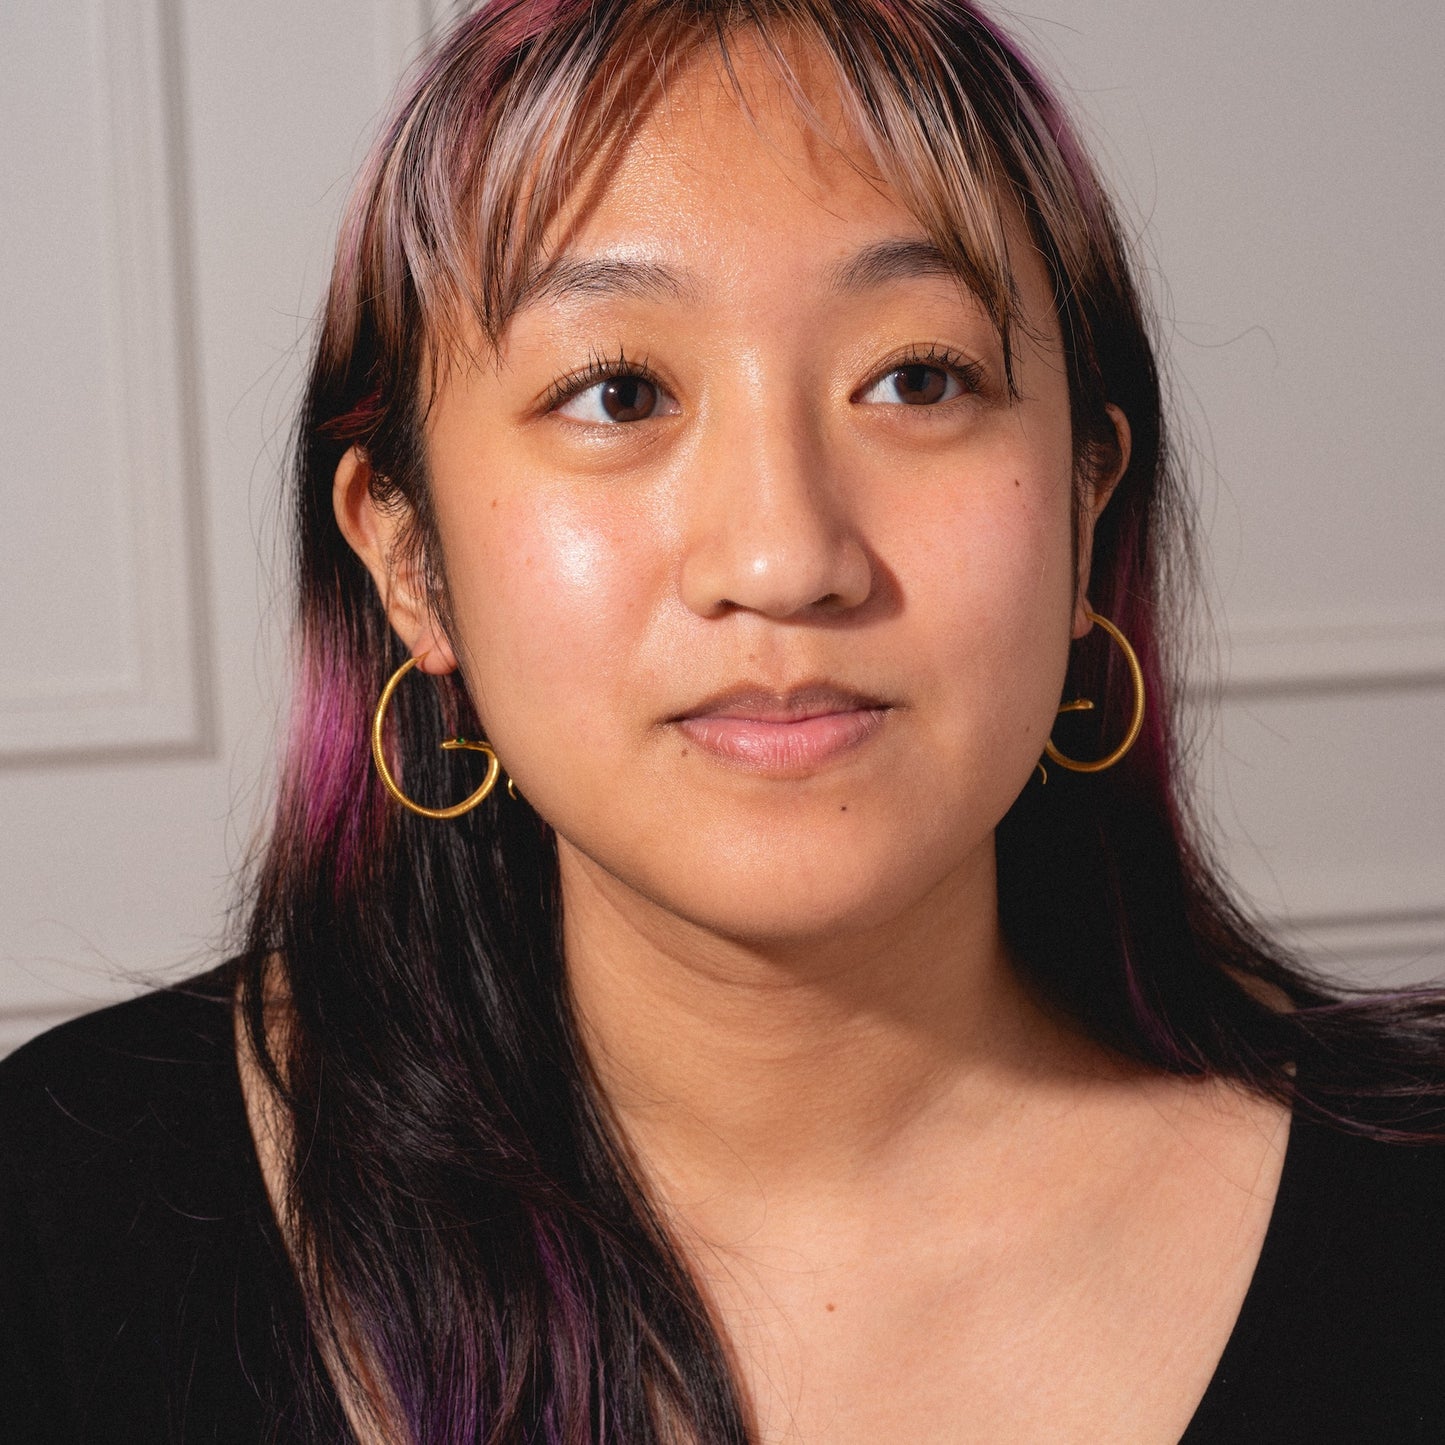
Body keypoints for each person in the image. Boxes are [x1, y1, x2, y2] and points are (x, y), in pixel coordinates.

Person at [3, 1, 1444, 1440]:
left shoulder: (1403, 1215)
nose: (783, 555)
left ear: (1083, 499)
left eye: (915, 378)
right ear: (408, 558)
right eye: (618, 392)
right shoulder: (68, 1210)